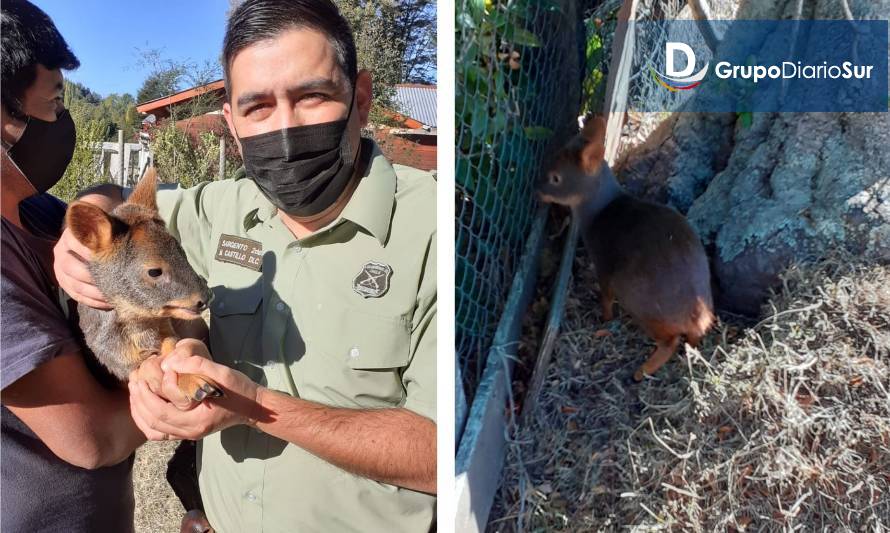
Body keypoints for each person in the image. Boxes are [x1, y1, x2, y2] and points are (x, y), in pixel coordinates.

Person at [54, 0, 437, 531]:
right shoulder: (223, 209)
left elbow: (441, 454)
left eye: (313, 96)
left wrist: (257, 406)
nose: (285, 128)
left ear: (362, 98)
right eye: (258, 107)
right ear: (232, 124)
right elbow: (120, 205)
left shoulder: (434, 229)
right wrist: (79, 238)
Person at [0, 1, 145, 531]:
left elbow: (119, 199)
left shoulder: (37, 212)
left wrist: (97, 203)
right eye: (54, 101)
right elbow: (93, 438)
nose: (63, 121)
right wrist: (180, 385)